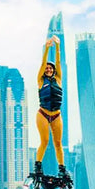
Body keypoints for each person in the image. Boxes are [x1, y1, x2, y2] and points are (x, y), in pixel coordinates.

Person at [34, 34, 70, 180]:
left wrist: (58, 47)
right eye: (47, 68)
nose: (48, 69)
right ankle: (38, 166)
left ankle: (62, 168)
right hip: (43, 113)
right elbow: (43, 64)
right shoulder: (40, 80)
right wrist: (47, 49)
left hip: (56, 115)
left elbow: (59, 62)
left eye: (51, 68)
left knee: (58, 143)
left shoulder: (59, 79)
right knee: (45, 141)